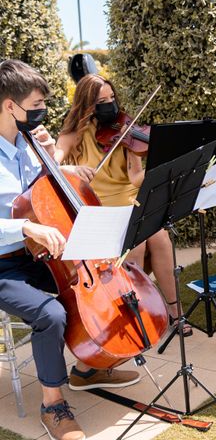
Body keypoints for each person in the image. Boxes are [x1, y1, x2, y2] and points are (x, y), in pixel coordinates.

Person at [0, 59, 140, 440]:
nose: (42, 111)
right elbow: (24, 214)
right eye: (35, 104)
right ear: (9, 105)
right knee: (52, 313)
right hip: (3, 264)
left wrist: (67, 172)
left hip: (41, 253)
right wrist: (25, 225)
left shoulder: (29, 144)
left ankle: (89, 367)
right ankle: (52, 405)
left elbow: (41, 192)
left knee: (91, 292)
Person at [55, 74, 191, 336]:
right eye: (101, 101)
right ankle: (140, 314)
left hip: (131, 201)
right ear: (86, 105)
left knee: (160, 238)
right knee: (137, 243)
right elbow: (53, 166)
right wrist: (71, 168)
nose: (110, 105)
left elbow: (135, 178)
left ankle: (175, 312)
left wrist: (160, 167)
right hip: (100, 208)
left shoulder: (126, 129)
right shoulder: (72, 135)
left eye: (111, 98)